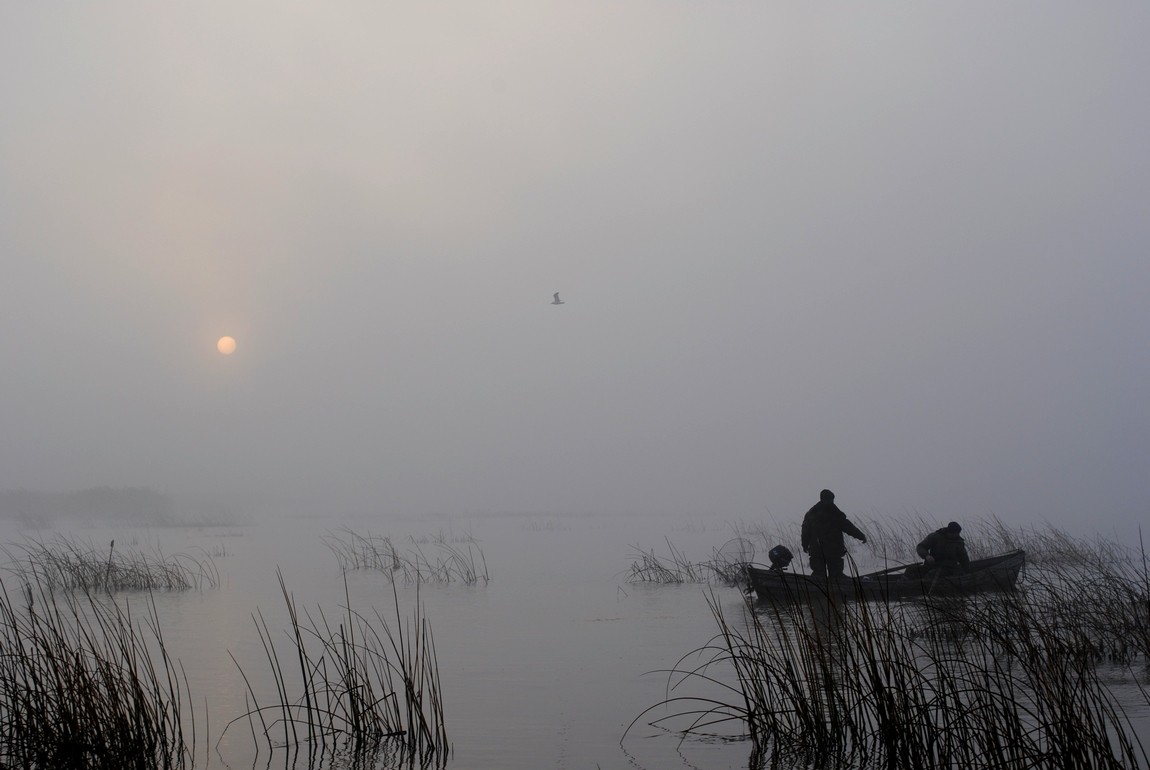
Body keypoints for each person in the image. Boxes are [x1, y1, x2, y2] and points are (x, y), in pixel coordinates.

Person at [800, 489, 867, 578]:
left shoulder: (817, 513)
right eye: (829, 499)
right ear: (822, 499)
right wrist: (804, 544)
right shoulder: (830, 513)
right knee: (821, 576)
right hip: (824, 550)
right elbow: (805, 530)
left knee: (833, 576)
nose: (830, 501)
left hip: (831, 550)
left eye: (831, 499)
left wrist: (860, 535)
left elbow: (848, 527)